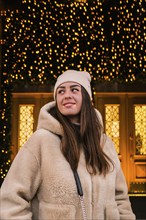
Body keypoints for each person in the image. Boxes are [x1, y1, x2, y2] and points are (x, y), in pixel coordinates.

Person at [0, 70, 135, 220]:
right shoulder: (41, 141)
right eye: (61, 91)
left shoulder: (105, 144)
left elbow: (121, 200)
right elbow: (11, 200)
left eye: (74, 89)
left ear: (87, 97)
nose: (67, 95)